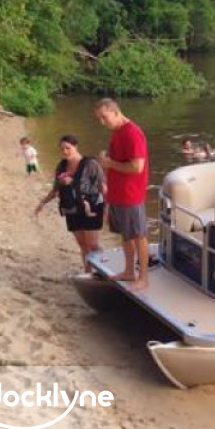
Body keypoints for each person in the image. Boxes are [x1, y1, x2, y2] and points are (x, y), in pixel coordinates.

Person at [94, 98, 150, 290]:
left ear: (116, 111)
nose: (102, 122)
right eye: (99, 119)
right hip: (117, 193)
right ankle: (129, 271)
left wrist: (109, 163)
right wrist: (107, 160)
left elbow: (137, 167)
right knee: (126, 235)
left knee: (138, 235)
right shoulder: (117, 131)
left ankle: (143, 278)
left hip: (130, 194)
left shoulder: (132, 133)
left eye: (104, 117)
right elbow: (120, 159)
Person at [35, 135, 106, 272]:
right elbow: (55, 190)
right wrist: (42, 203)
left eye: (68, 148)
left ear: (76, 146)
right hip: (71, 209)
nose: (65, 151)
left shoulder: (90, 164)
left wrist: (108, 208)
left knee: (92, 244)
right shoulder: (61, 166)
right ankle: (88, 272)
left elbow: (102, 187)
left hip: (91, 208)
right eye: (62, 149)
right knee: (83, 244)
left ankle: (103, 269)